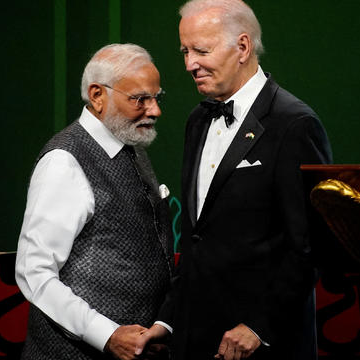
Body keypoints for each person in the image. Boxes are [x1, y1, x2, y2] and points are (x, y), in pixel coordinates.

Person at [138, 1, 333, 359]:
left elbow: (308, 246)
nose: (188, 64)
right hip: (194, 340)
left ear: (242, 47)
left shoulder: (294, 124)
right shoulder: (197, 120)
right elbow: (198, 239)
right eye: (185, 51)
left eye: (201, 50)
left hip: (261, 346)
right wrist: (167, 321)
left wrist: (260, 326)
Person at [15, 43, 173, 360]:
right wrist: (107, 334)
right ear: (98, 95)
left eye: (157, 97)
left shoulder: (131, 143)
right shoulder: (64, 161)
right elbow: (35, 272)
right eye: (140, 99)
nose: (155, 110)